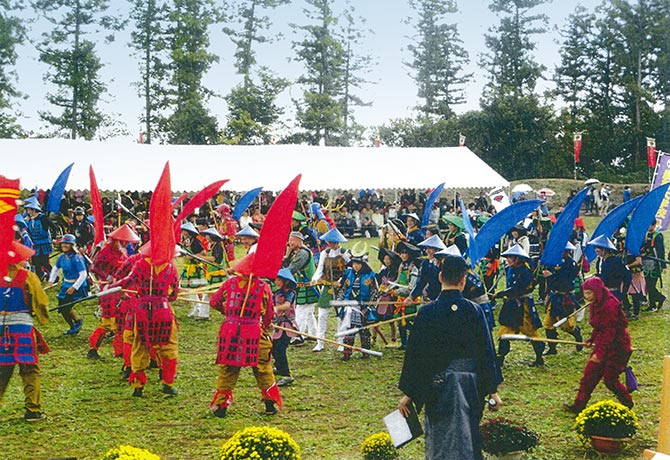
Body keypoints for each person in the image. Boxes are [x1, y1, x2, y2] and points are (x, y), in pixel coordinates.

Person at [398, 254, 503, 460]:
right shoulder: (475, 311)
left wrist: (409, 393)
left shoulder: (427, 312)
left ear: (439, 277)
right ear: (463, 280)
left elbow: (416, 357)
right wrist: (492, 390)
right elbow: (486, 352)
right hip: (470, 386)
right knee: (468, 435)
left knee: (440, 437)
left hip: (438, 385)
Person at [208, 253, 282, 418]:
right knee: (263, 368)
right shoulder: (264, 287)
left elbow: (213, 302)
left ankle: (221, 406)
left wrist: (227, 313)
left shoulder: (230, 283)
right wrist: (267, 323)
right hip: (254, 332)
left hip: (231, 331)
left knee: (229, 369)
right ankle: (270, 403)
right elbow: (269, 313)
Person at [117, 245, 180, 397]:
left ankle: (138, 387)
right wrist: (164, 297)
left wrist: (116, 287)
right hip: (163, 310)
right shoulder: (170, 268)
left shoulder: (140, 264)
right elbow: (175, 293)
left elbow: (128, 280)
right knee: (169, 346)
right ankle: (168, 383)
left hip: (143, 310)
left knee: (140, 346)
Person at [564, 277, 633, 414]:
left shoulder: (610, 305)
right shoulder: (595, 303)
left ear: (597, 291)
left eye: (589, 293)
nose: (586, 296)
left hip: (618, 347)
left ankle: (627, 402)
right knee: (589, 377)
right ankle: (578, 406)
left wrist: (599, 354)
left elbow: (609, 331)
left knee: (610, 379)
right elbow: (599, 326)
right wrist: (592, 339)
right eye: (585, 293)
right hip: (602, 344)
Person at [0, 241, 50, 421]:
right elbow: (41, 302)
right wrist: (40, 315)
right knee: (30, 370)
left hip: (1, 332)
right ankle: (33, 410)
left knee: (2, 371)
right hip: (22, 329)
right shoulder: (27, 277)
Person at [87, 224, 141, 360]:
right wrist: (107, 276)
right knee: (108, 322)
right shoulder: (106, 251)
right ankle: (93, 349)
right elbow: (94, 267)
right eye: (124, 241)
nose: (126, 243)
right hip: (108, 289)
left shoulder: (124, 251)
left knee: (120, 321)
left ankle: (119, 350)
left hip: (120, 288)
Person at [491, 244, 545, 367]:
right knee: (504, 332)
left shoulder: (525, 271)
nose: (508, 260)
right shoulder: (510, 269)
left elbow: (517, 289)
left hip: (523, 306)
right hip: (511, 305)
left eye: (510, 257)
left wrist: (501, 293)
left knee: (531, 332)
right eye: (508, 257)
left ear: (517, 259)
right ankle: (500, 358)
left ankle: (539, 357)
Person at [310, 227, 350, 352]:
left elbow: (349, 270)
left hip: (340, 287)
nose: (330, 244)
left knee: (340, 316)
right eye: (328, 241)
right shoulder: (324, 253)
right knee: (322, 315)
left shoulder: (345, 253)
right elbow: (319, 269)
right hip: (327, 286)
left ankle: (341, 342)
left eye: (332, 242)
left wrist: (340, 282)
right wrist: (315, 278)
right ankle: (320, 342)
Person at [541, 242, 583, 355]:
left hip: (565, 297)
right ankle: (552, 348)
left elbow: (567, 279)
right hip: (554, 296)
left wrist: (552, 276)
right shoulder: (553, 261)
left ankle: (577, 334)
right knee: (548, 324)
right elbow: (550, 281)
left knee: (566, 326)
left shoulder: (571, 264)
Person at [339, 247, 378, 361]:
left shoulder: (371, 276)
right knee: (349, 330)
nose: (356, 266)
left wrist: (369, 308)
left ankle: (365, 353)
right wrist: (340, 302)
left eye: (358, 263)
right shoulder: (348, 274)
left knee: (364, 331)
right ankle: (347, 353)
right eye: (354, 263)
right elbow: (343, 289)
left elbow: (375, 293)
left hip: (363, 307)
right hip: (350, 307)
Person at [282, 231, 319, 342]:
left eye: (292, 240)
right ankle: (313, 333)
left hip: (307, 286)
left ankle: (298, 336)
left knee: (301, 311)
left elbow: (291, 269)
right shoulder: (296, 252)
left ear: (299, 241)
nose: (290, 243)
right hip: (303, 286)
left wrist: (278, 274)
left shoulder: (303, 253)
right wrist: (287, 255)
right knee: (308, 312)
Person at [48, 234, 87, 335]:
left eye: (67, 243)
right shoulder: (62, 257)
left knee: (66, 306)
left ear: (72, 245)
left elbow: (83, 274)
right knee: (62, 307)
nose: (64, 245)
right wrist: (51, 280)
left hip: (77, 286)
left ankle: (77, 321)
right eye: (63, 243)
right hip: (66, 285)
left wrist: (74, 287)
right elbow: (55, 268)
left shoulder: (77, 258)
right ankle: (73, 326)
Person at [271, 269, 299, 386]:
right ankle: (279, 367)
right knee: (273, 347)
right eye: (276, 280)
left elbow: (287, 305)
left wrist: (276, 309)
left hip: (288, 326)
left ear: (286, 281)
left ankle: (287, 375)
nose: (276, 282)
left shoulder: (290, 293)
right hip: (278, 325)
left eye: (279, 280)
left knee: (280, 349)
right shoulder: (276, 293)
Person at [589, 235, 630, 301]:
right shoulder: (602, 261)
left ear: (604, 250)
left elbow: (627, 276)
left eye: (598, 251)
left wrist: (624, 292)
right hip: (604, 292)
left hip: (614, 293)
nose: (597, 253)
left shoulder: (616, 262)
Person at [23, 201, 53, 280]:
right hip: (35, 244)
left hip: (44, 244)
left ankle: (54, 276)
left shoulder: (43, 218)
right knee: (36, 263)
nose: (28, 212)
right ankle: (40, 277)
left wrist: (54, 237)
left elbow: (53, 226)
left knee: (45, 263)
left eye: (29, 210)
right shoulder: (29, 219)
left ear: (34, 210)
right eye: (27, 210)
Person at [641, 220, 666, 312]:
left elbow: (660, 251)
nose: (648, 227)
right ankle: (654, 302)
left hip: (655, 264)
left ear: (654, 225)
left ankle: (656, 301)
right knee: (647, 285)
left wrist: (663, 266)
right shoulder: (646, 235)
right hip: (645, 263)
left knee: (651, 285)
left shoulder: (658, 236)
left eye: (650, 225)